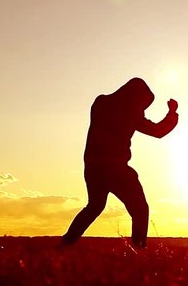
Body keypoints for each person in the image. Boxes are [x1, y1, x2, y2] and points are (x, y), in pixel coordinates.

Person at [62, 77, 179, 248]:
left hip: (93, 166)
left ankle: (66, 243)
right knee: (140, 209)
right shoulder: (131, 113)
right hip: (116, 168)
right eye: (143, 105)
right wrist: (172, 113)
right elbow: (157, 131)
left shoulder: (100, 103)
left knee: (94, 206)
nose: (143, 109)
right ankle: (138, 249)